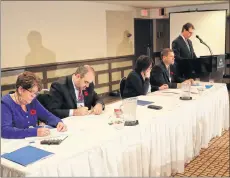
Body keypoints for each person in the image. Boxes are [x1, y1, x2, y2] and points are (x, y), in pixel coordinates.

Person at [1, 71, 67, 139]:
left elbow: (47, 115)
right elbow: (5, 131)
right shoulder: (5, 103)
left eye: (36, 94)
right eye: (32, 93)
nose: (34, 96)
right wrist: (34, 132)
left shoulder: (32, 101)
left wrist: (58, 122)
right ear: (21, 90)